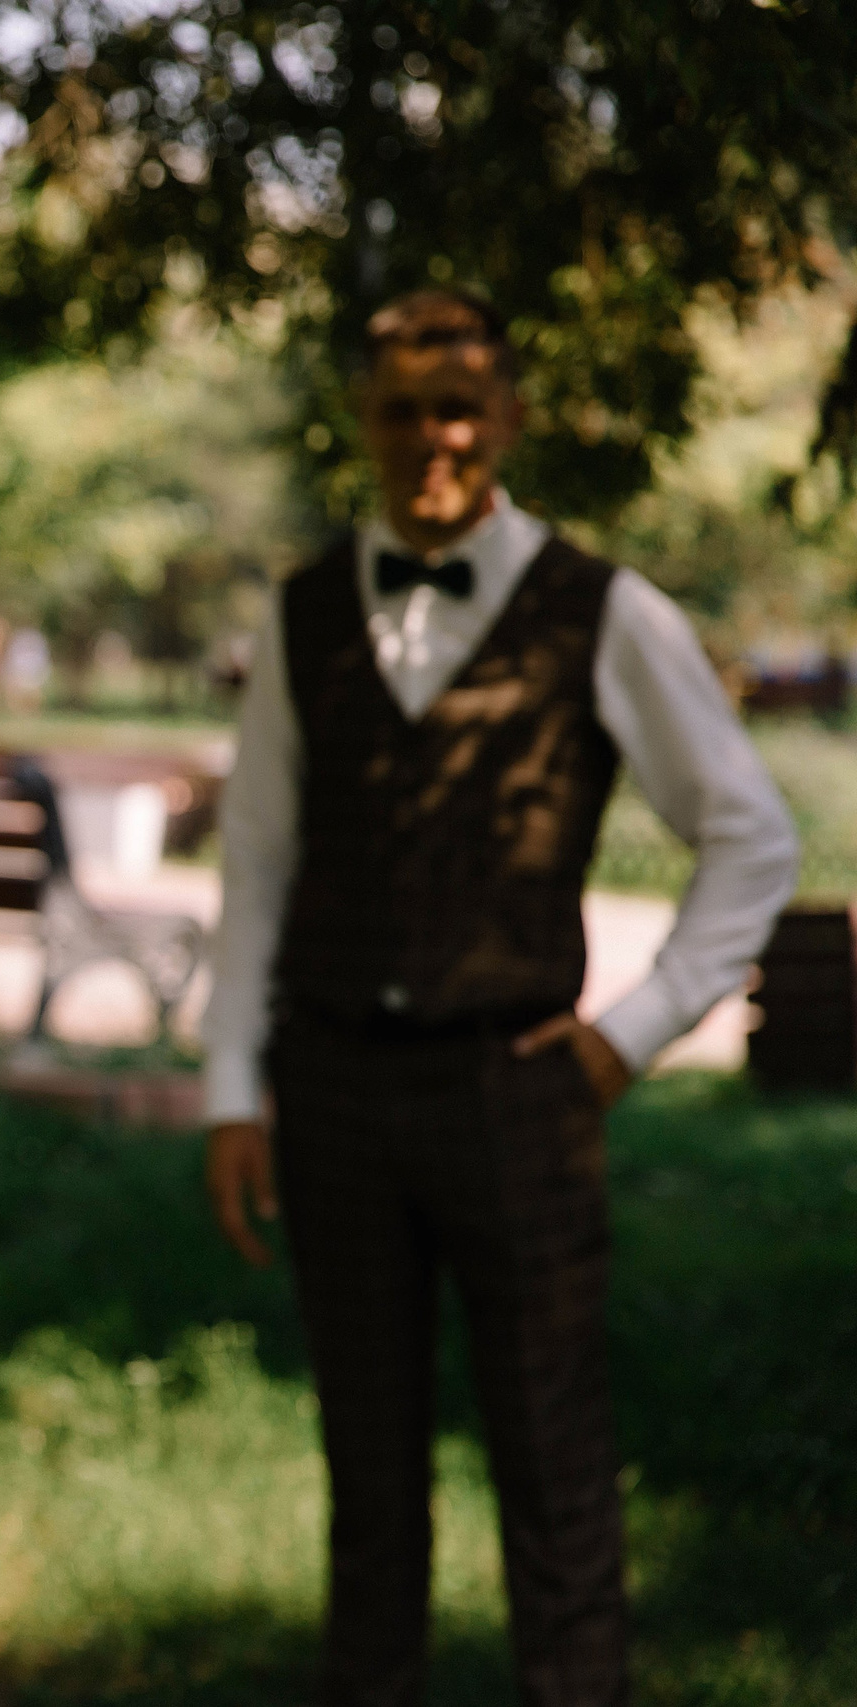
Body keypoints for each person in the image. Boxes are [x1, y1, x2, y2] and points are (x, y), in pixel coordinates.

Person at [199, 288, 798, 1706]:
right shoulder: (303, 614)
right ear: (365, 419)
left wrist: (628, 1035)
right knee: (371, 1485)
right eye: (403, 407)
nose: (434, 438)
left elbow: (751, 836)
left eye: (460, 405)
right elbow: (257, 861)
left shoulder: (603, 609)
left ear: (510, 416)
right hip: (335, 1093)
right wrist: (234, 1089)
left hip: (516, 1093)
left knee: (557, 1475)